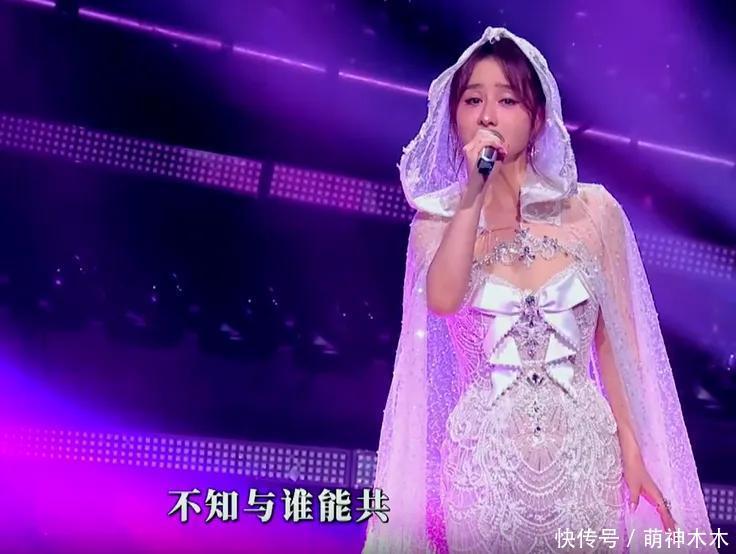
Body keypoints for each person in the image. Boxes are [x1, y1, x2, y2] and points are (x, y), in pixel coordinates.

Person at [362, 26, 715, 553]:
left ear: (538, 117)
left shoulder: (594, 212)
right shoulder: (436, 225)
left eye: (507, 100)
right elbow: (442, 299)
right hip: (485, 467)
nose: (488, 115)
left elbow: (616, 344)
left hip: (585, 460)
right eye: (473, 101)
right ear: (454, 116)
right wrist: (473, 195)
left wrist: (632, 447)